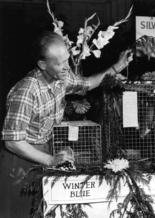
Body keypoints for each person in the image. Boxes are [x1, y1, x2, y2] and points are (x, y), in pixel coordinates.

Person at [0, 31, 133, 218]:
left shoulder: (60, 77)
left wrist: (117, 67)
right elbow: (13, 142)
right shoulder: (26, 90)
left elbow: (87, 83)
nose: (66, 67)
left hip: (42, 151)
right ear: (42, 64)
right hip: (19, 160)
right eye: (59, 63)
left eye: (67, 60)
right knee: (19, 212)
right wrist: (50, 160)